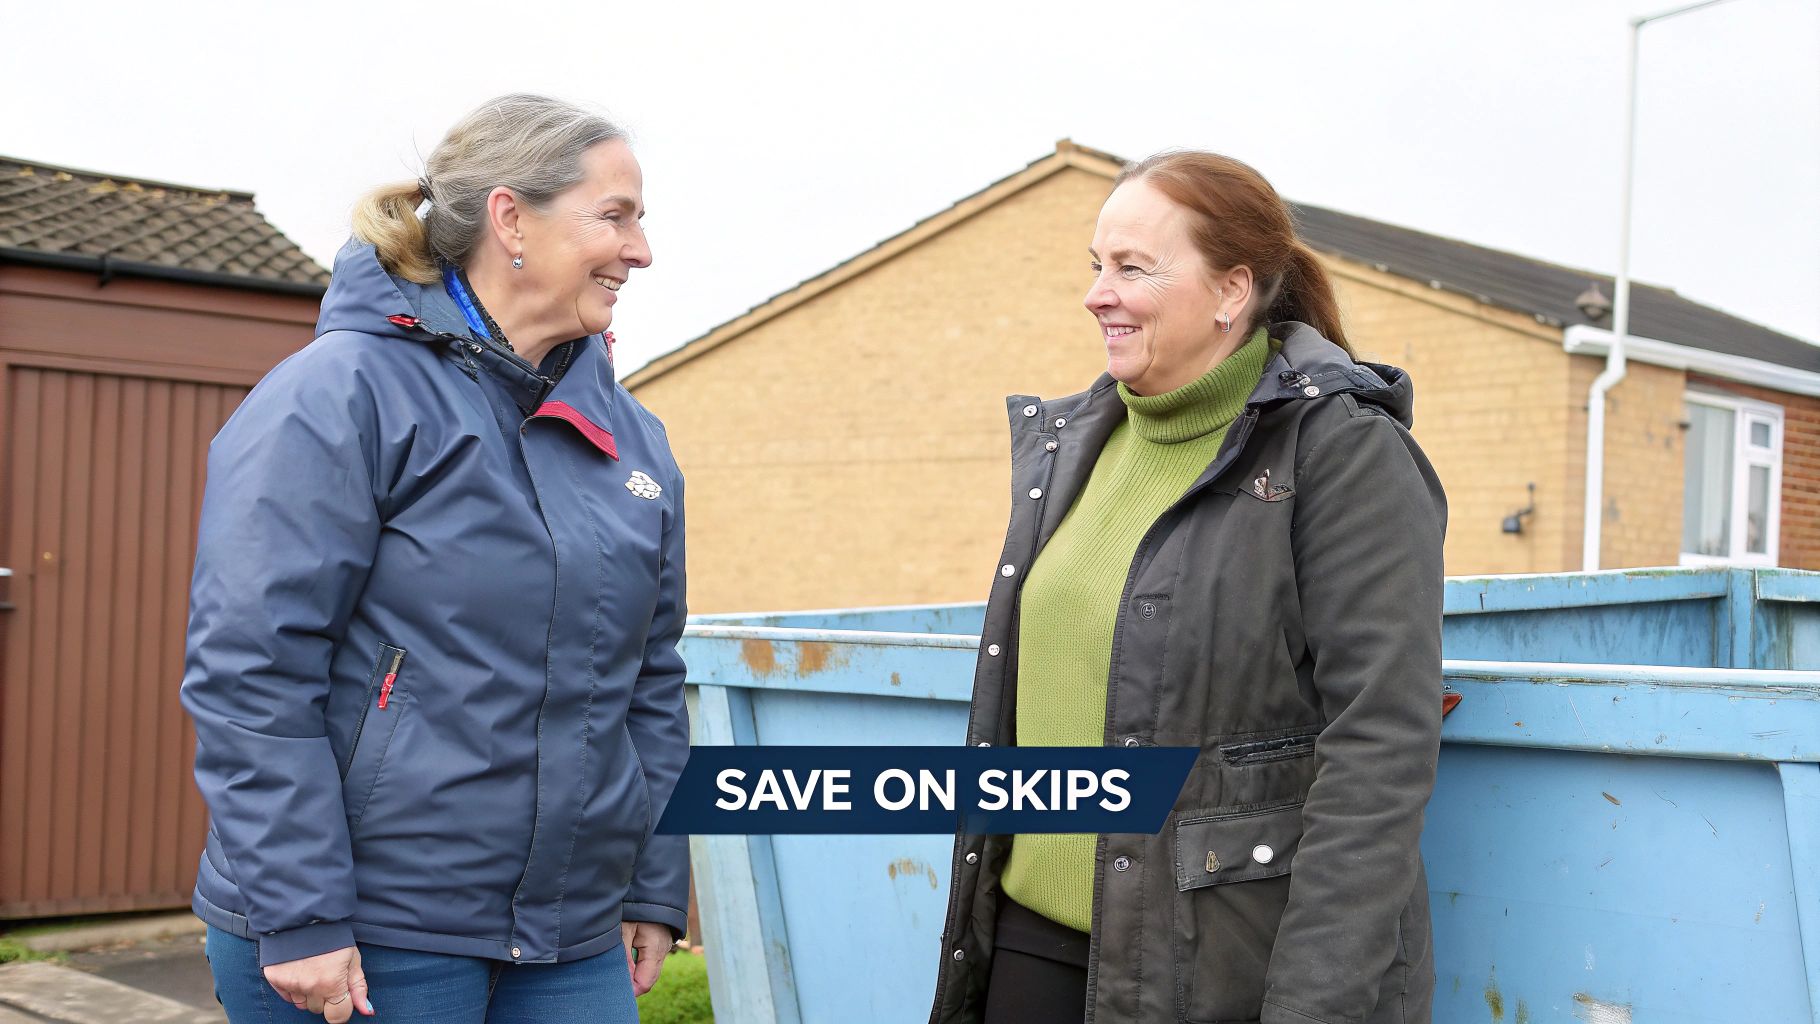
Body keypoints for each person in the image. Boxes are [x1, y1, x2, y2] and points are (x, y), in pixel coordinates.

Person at [181, 94, 690, 1024]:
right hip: (372, 930)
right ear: (511, 219)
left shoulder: (635, 443)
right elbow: (252, 669)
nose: (640, 250)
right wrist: (300, 912)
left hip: (571, 937)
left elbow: (647, 680)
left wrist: (651, 879)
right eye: (614, 217)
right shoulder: (340, 395)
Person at [929, 150, 1448, 1024]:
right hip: (1032, 948)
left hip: (1214, 971)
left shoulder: (1341, 452)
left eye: (1133, 268)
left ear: (1230, 291)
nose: (1099, 292)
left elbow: (1380, 753)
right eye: (1097, 266)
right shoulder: (1075, 444)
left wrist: (1314, 1006)